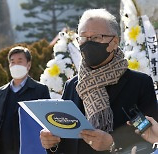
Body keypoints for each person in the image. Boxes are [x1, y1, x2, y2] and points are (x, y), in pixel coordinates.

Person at [40, 9, 158, 154]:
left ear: (114, 41)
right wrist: (52, 143)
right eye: (83, 38)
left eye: (96, 38)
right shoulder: (72, 85)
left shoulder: (139, 83)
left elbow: (150, 133)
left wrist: (113, 143)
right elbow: (64, 136)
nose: (88, 44)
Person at [0, 46, 50, 154]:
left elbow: (47, 124)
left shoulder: (40, 90)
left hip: (29, 149)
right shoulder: (1, 93)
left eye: (20, 61)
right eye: (12, 62)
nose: (15, 65)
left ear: (28, 65)